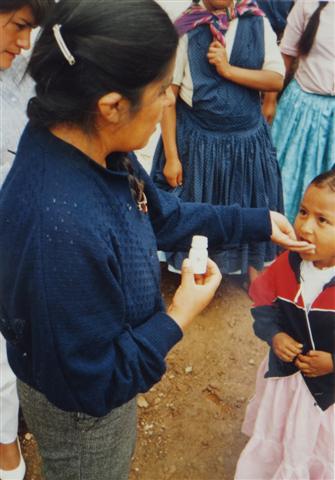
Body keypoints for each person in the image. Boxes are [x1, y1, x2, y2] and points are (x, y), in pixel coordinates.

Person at [0, 0, 313, 479]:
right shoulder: (58, 231)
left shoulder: (94, 145)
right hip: (86, 417)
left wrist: (257, 220)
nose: (171, 102)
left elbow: (160, 214)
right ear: (111, 105)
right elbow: (101, 382)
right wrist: (181, 312)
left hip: (99, 380)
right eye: (162, 91)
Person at [150, 0, 286, 285]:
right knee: (198, 204)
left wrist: (227, 70)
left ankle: (253, 269)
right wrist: (172, 157)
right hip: (198, 144)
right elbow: (169, 98)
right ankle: (196, 272)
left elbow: (275, 78)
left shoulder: (257, 22)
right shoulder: (186, 28)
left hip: (247, 143)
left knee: (249, 202)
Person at [235, 170, 335, 479]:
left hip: (326, 395)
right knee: (277, 432)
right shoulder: (287, 264)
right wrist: (274, 335)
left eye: (323, 220)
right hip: (284, 379)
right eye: (303, 212)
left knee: (313, 446)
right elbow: (262, 304)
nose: (304, 226)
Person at [0, 1, 52, 479]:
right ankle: (6, 445)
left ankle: (9, 432)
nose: (22, 44)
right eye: (18, 27)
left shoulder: (22, 71)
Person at [270, 0, 335, 223]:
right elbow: (285, 57)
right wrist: (269, 101)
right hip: (302, 110)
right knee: (289, 178)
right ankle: (284, 235)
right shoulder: (308, 5)